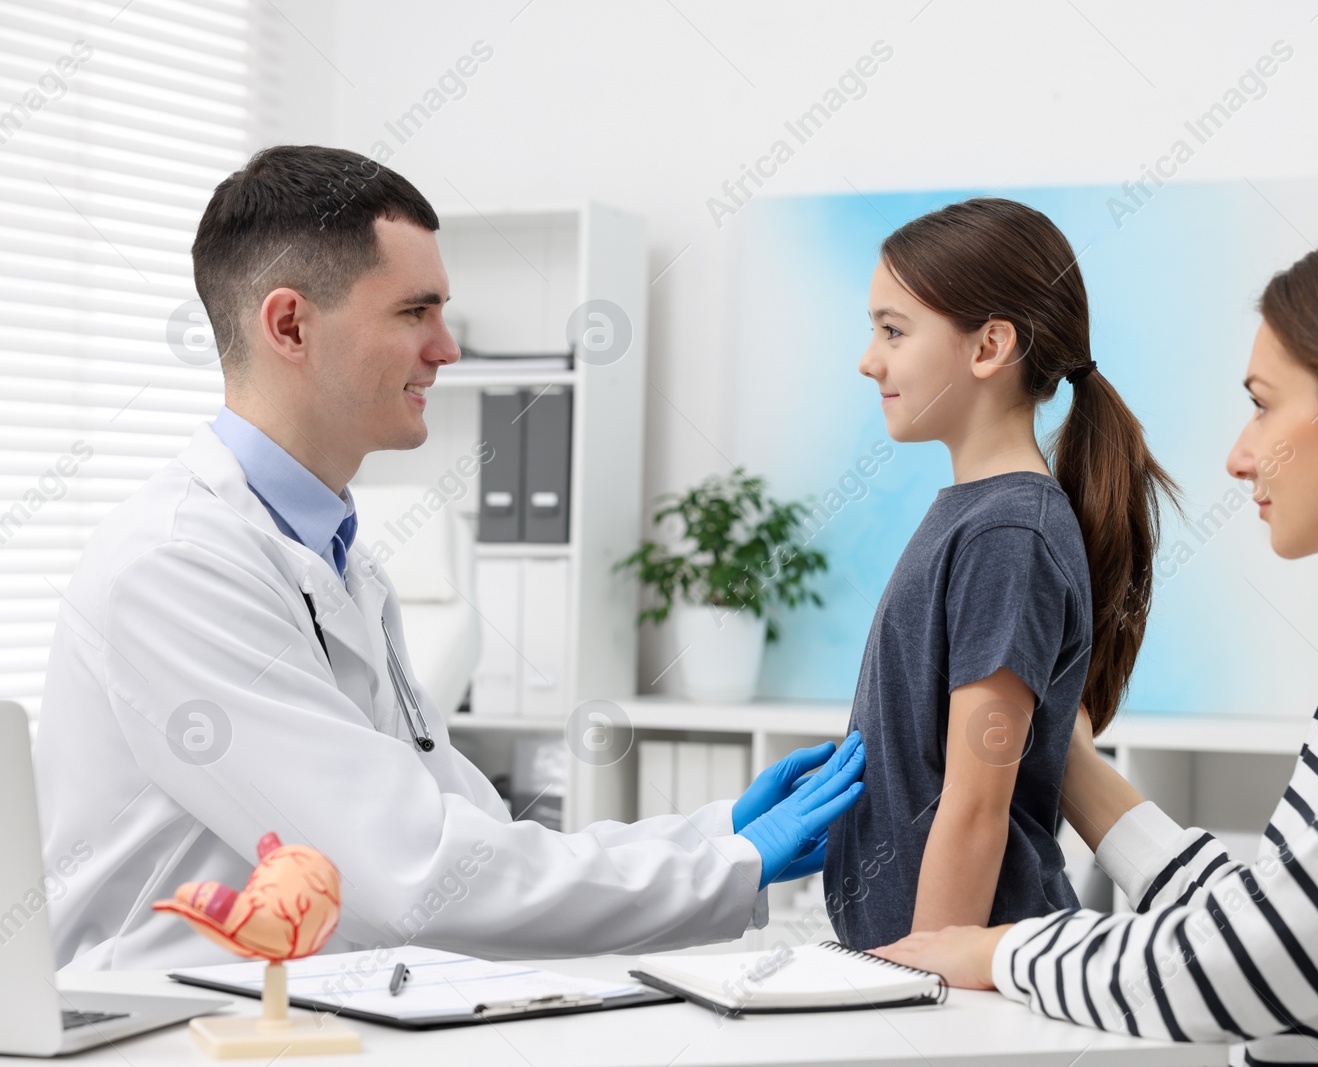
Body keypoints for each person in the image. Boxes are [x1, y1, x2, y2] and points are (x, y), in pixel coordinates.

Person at [34, 145, 864, 971]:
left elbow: (475, 834)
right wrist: (732, 863)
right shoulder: (176, 567)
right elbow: (415, 870)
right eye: (413, 312)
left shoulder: (342, 562)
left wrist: (716, 832)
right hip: (171, 1029)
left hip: (300, 1011)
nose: (447, 348)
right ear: (290, 324)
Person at [872, 233, 1318, 1065]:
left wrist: (989, 949)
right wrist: (1063, 759)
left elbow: (1239, 965)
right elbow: (1275, 910)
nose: (1238, 455)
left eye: (1262, 404)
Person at [823, 198, 1177, 950]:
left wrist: (918, 986)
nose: (869, 358)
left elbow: (975, 810)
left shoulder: (1008, 533)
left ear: (990, 346)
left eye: (893, 329)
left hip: (960, 980)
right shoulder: (979, 515)